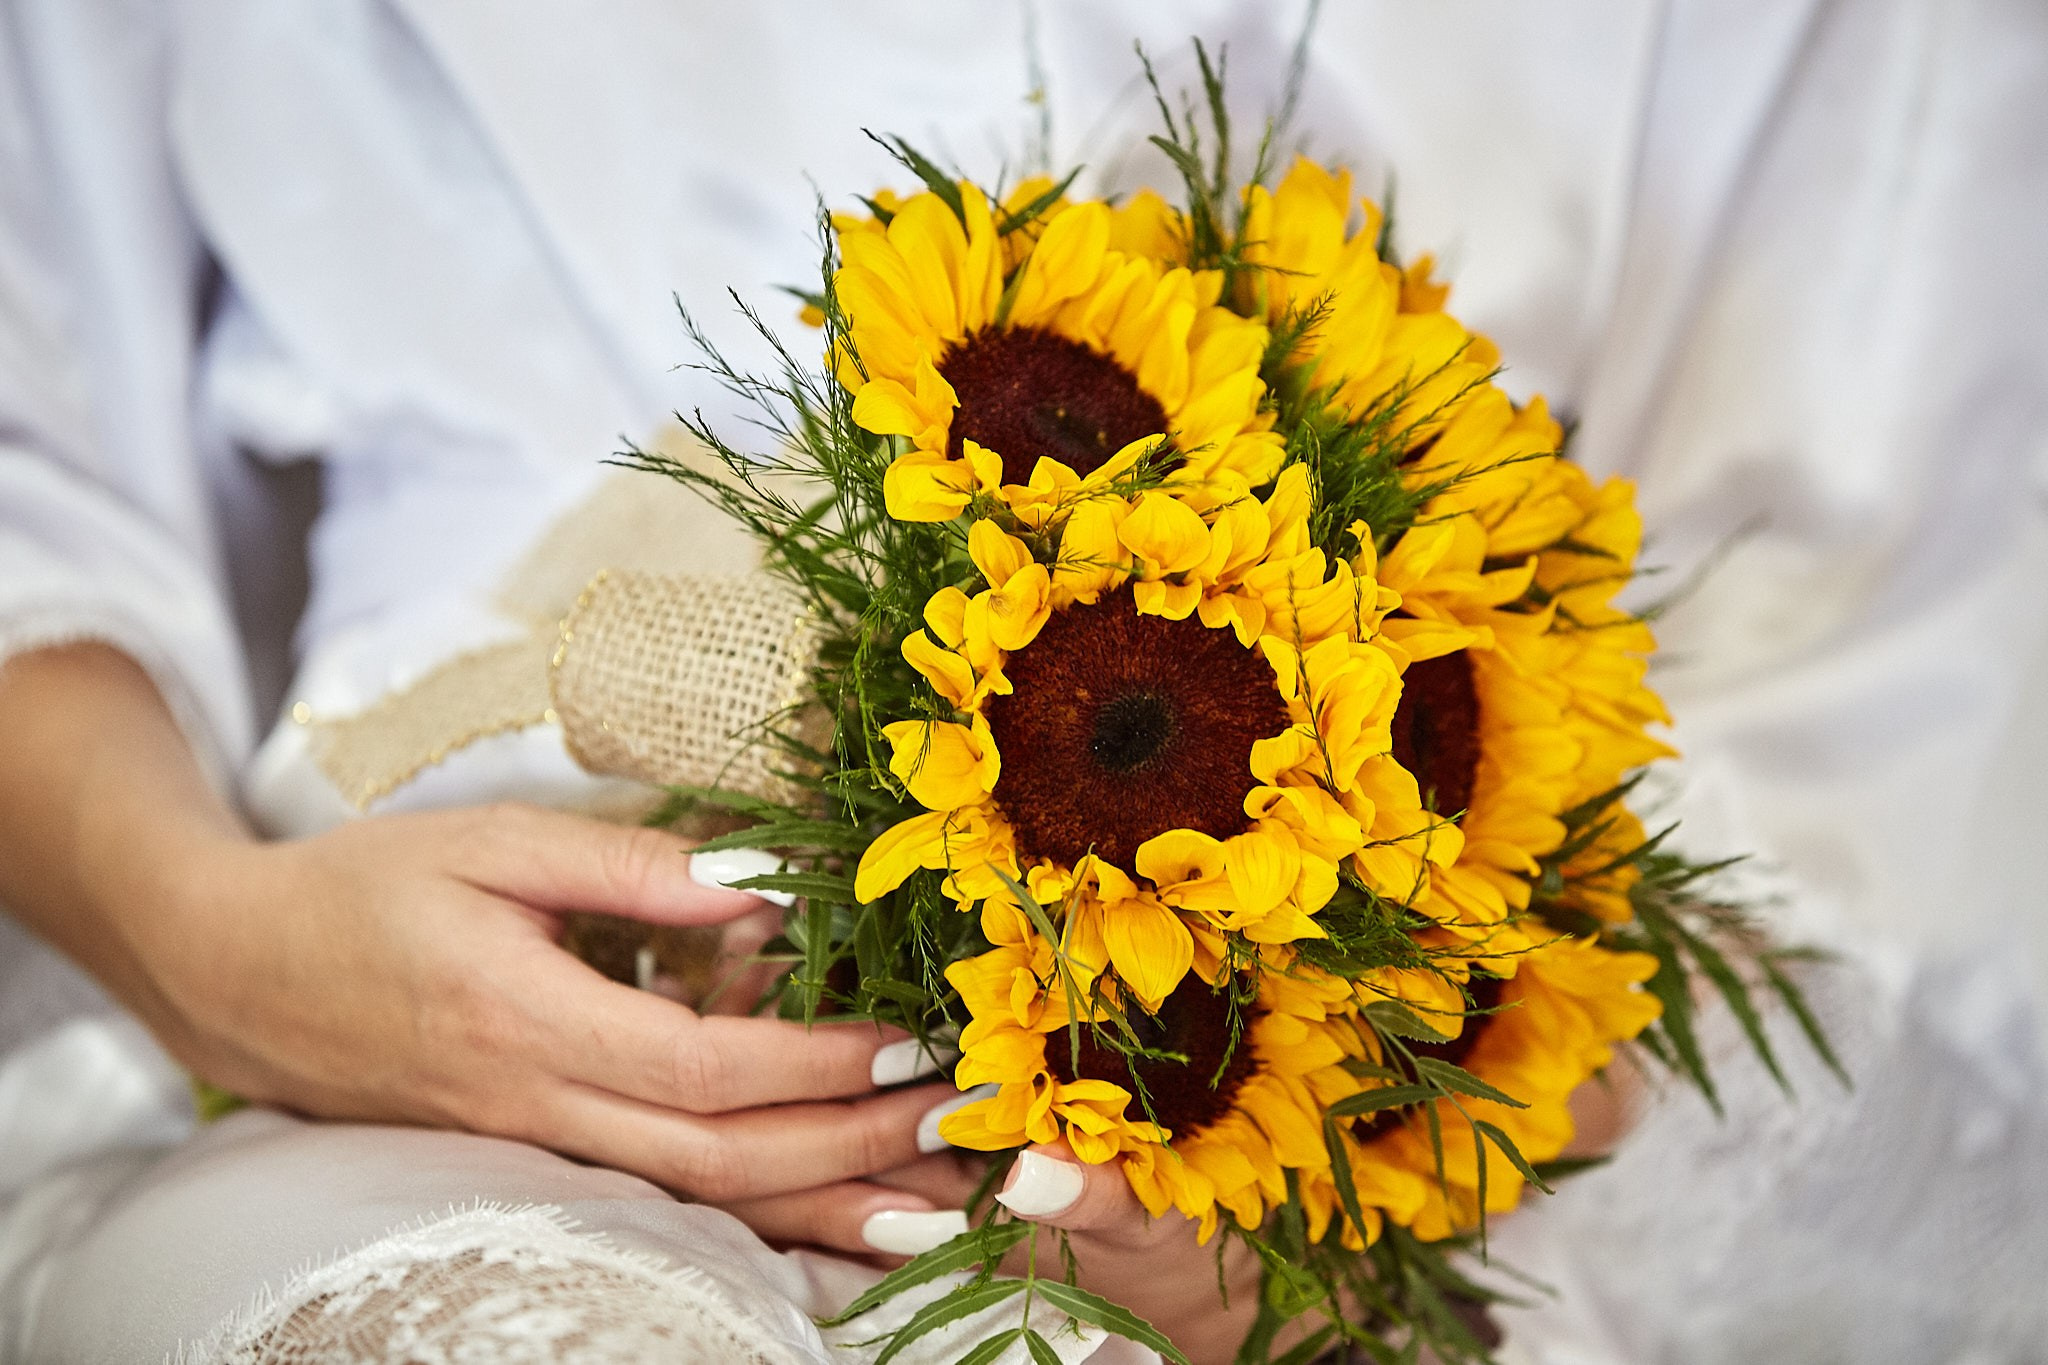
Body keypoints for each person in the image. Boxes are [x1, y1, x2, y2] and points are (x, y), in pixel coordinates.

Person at [3, 2, 2045, 1362]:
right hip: (395, 1009)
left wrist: (1369, 1185)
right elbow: (36, 454)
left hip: (1356, 1139)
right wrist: (213, 943)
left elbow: (1893, 673)